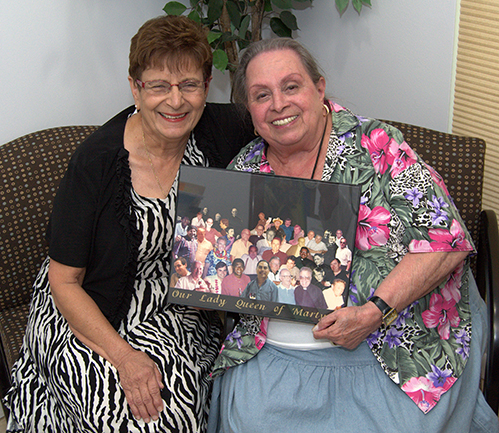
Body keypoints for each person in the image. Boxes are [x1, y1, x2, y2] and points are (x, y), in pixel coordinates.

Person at [208, 38, 498, 432]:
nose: (278, 103)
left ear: (320, 88)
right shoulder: (243, 170)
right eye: (262, 95)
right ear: (250, 111)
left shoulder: (377, 145)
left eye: (291, 86)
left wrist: (373, 312)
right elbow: (226, 273)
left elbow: (447, 242)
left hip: (389, 340)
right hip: (276, 353)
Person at [4, 15, 255, 433]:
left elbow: (286, 115)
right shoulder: (95, 163)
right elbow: (63, 281)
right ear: (135, 87)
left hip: (174, 306)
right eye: (158, 85)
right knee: (122, 417)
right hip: (89, 307)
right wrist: (124, 357)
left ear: (206, 87)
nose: (175, 101)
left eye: (188, 85)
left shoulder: (218, 130)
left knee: (173, 414)